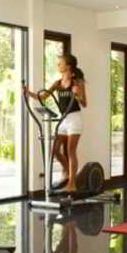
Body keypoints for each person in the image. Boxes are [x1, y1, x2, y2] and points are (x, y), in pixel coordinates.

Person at [23, 53, 87, 193]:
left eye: (60, 63)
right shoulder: (57, 83)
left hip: (74, 119)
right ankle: (69, 172)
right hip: (63, 120)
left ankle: (72, 183)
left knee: (70, 151)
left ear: (68, 66)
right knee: (55, 151)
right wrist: (28, 93)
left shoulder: (77, 82)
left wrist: (77, 94)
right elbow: (43, 96)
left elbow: (84, 103)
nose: (58, 65)